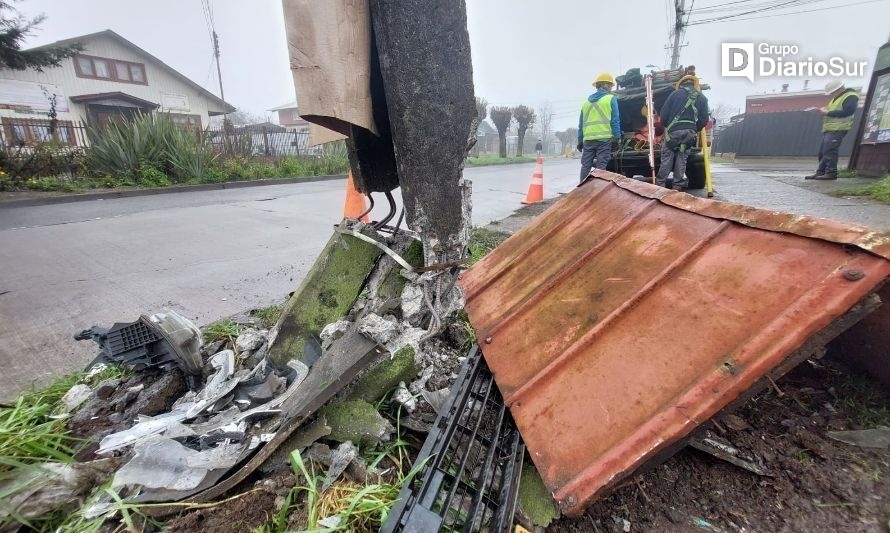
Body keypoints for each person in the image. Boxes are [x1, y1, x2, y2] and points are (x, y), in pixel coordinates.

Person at [656, 75, 709, 191]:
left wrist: (667, 126)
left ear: (681, 85)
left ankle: (660, 185)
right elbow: (704, 119)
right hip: (690, 133)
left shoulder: (674, 94)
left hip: (673, 132)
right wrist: (695, 128)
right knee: (682, 158)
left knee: (667, 159)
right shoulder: (702, 97)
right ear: (694, 84)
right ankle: (677, 185)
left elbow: (663, 116)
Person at [805, 80, 859, 180]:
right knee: (823, 152)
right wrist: (824, 110)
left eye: (832, 92)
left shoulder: (850, 96)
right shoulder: (837, 98)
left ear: (838, 89)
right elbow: (833, 110)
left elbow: (848, 112)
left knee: (830, 151)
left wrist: (828, 113)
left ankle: (831, 173)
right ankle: (821, 172)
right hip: (830, 128)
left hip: (838, 128)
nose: (831, 94)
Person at [578, 72, 621, 183]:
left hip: (588, 140)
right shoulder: (611, 99)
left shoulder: (586, 103)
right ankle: (598, 190)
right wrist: (617, 137)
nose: (611, 88)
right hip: (604, 140)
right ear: (605, 85)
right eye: (610, 85)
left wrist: (579, 141)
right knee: (601, 167)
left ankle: (582, 189)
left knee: (585, 166)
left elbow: (581, 125)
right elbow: (615, 120)